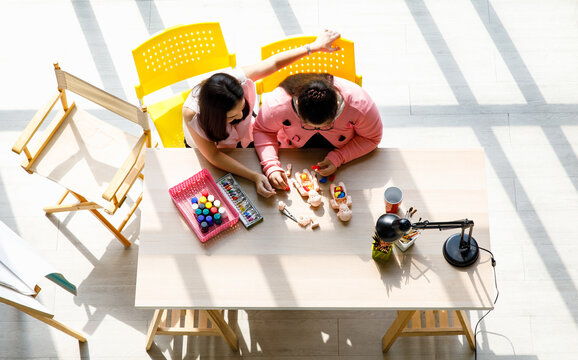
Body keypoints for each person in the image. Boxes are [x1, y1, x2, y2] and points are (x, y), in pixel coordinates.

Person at [183, 30, 341, 198]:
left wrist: (314, 47)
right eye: (231, 117)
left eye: (242, 109)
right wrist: (254, 177)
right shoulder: (193, 115)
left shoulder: (235, 81)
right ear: (215, 115)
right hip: (212, 149)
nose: (239, 118)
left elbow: (273, 63)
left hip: (243, 139)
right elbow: (213, 155)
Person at [253, 73, 382, 190]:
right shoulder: (277, 104)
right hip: (291, 153)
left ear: (337, 105)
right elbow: (263, 130)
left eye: (327, 125)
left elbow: (371, 138)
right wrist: (271, 166)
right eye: (307, 125)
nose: (317, 129)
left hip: (347, 157)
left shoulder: (360, 105)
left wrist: (339, 157)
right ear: (297, 104)